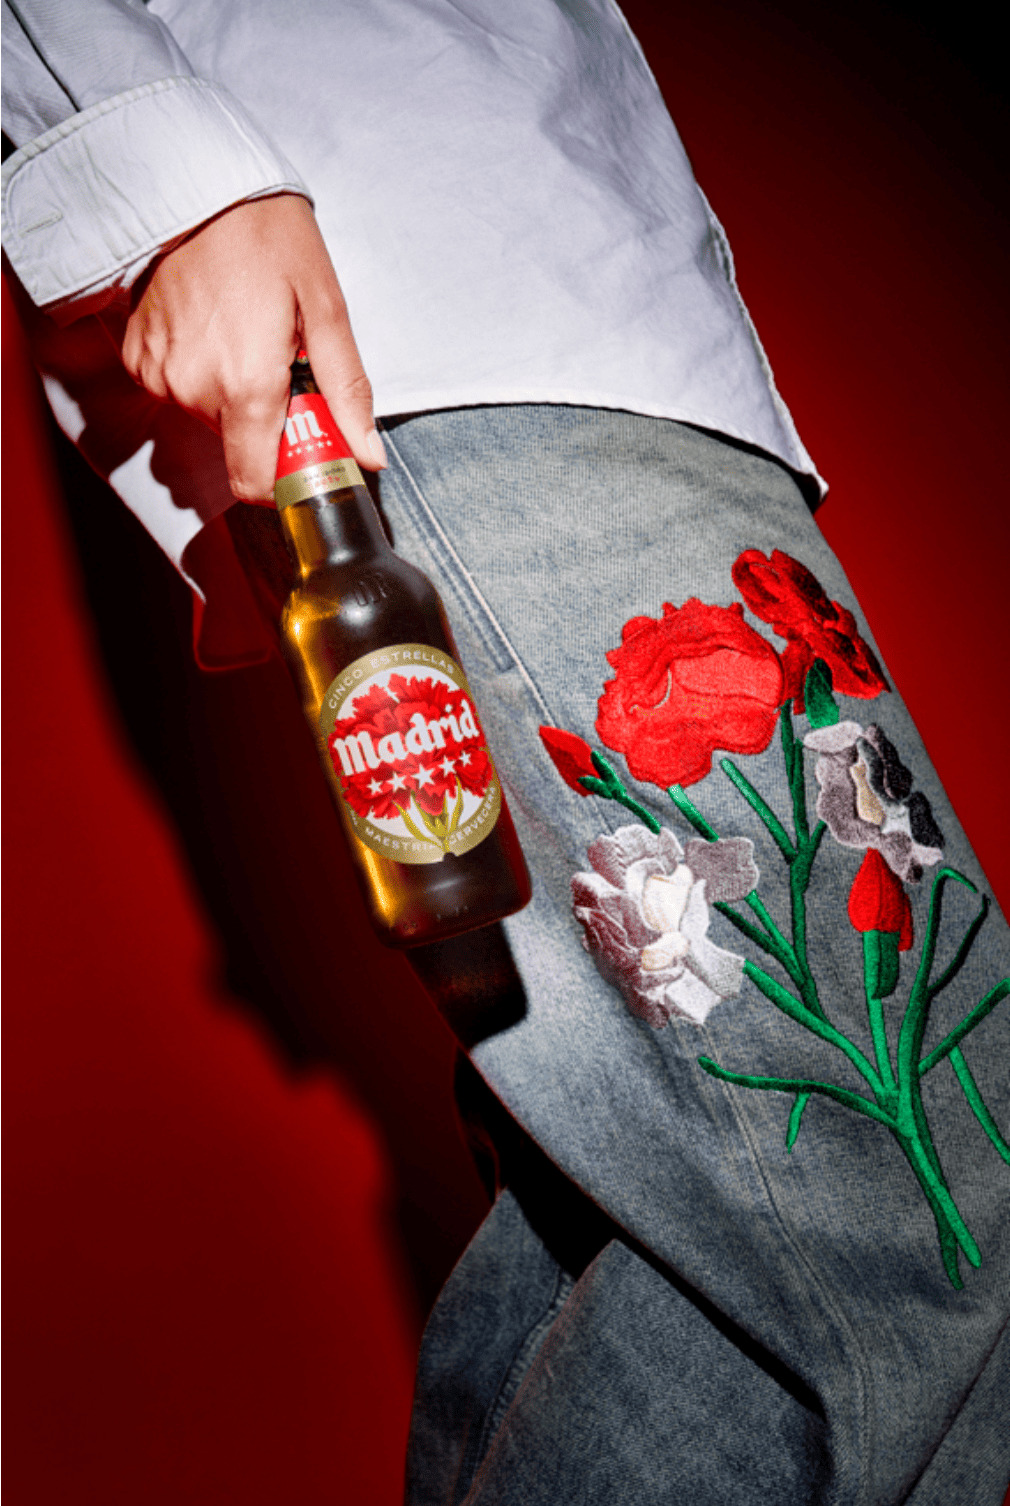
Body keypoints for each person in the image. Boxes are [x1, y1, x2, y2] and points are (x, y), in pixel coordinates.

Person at [4, 3, 1008, 1501]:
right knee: (916, 1183)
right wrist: (170, 183)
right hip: (425, 299)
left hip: (593, 308)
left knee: (667, 1230)